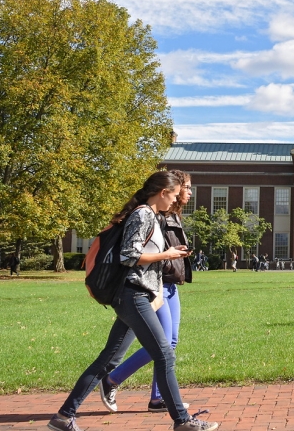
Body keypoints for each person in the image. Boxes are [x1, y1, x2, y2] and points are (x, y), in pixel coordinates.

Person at [47, 171, 217, 431]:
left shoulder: (151, 215)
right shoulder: (143, 214)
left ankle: (63, 417)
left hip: (136, 295)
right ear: (162, 193)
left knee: (108, 360)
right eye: (173, 194)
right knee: (164, 356)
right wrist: (166, 255)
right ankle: (182, 421)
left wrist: (169, 255)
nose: (174, 200)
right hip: (133, 295)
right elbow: (128, 255)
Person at [105, 170, 195, 415]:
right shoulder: (155, 215)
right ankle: (112, 379)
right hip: (155, 286)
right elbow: (138, 252)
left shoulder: (171, 215)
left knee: (170, 342)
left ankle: (157, 398)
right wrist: (169, 256)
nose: (188, 192)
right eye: (185, 187)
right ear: (170, 192)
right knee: (161, 345)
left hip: (171, 284)